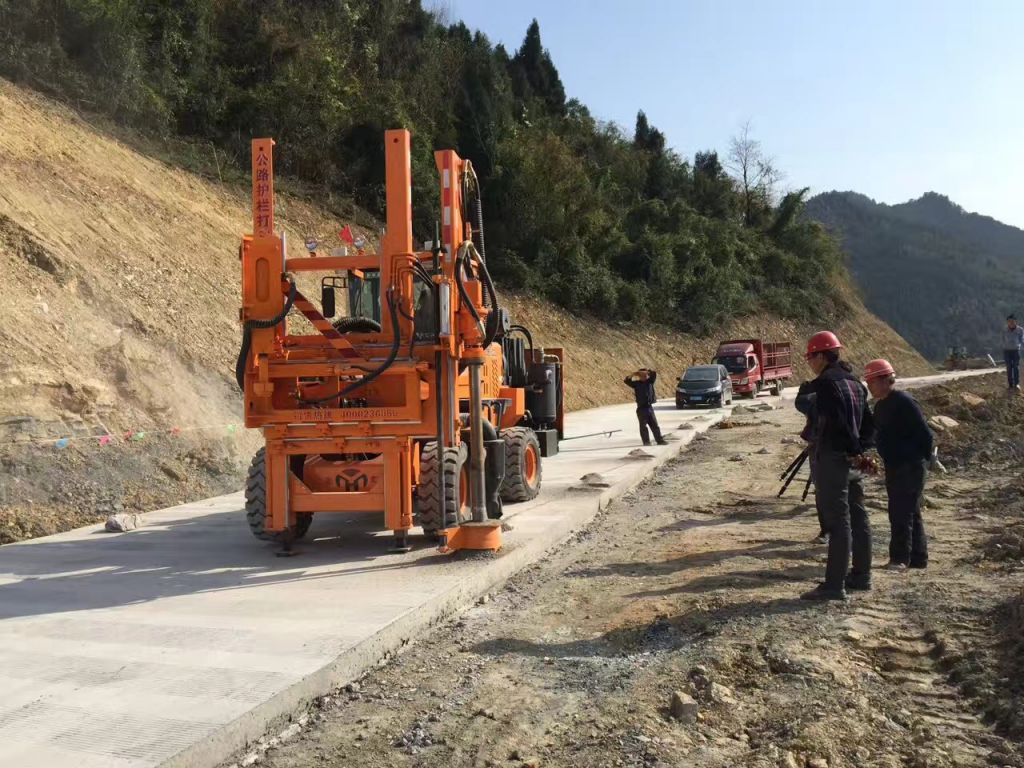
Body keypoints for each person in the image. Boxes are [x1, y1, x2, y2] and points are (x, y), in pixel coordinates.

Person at [797, 331, 876, 601]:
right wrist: (860, 451)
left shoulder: (825, 385)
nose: (809, 362)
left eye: (810, 357)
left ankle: (834, 585)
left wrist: (851, 450)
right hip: (852, 459)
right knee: (858, 515)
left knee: (838, 521)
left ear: (821, 356)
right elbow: (868, 424)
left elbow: (838, 421)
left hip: (833, 457)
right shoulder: (856, 384)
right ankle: (862, 575)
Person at [865, 359, 933, 571]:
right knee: (911, 511)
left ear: (886, 380)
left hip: (910, 465)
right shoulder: (881, 406)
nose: (869, 387)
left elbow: (926, 435)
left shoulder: (904, 402)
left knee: (900, 513)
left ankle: (900, 558)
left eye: (872, 382)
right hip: (894, 465)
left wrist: (919, 459)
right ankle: (918, 558)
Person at [794, 388, 827, 542]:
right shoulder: (855, 388)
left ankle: (827, 532)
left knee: (822, 490)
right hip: (848, 449)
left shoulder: (820, 395)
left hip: (822, 448)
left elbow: (801, 403)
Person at [624, 368, 667, 446]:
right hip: (641, 408)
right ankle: (646, 442)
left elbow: (654, 373)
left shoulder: (650, 381)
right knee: (643, 426)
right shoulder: (636, 384)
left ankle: (660, 441)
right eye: (642, 375)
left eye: (645, 375)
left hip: (649, 407)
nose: (644, 377)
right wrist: (634, 373)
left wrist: (646, 372)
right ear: (639, 376)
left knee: (655, 425)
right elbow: (626, 381)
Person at [1002, 315, 1024, 391]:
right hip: (1007, 351)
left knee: (1015, 367)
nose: (1011, 323)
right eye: (1009, 321)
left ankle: (1016, 384)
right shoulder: (1004, 329)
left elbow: (1022, 340)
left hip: (1016, 351)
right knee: (1009, 367)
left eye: (1012, 321)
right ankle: (1010, 385)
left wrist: (1019, 346)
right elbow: (1003, 338)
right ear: (1007, 322)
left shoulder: (1020, 330)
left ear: (1015, 321)